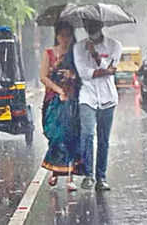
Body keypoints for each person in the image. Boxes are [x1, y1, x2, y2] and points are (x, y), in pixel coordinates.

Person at [73, 20, 122, 191]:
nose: (91, 29)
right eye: (88, 27)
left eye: (94, 26)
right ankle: (88, 175)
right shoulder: (78, 47)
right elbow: (84, 74)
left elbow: (112, 70)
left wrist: (95, 55)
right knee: (87, 134)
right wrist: (104, 71)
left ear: (101, 26)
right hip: (87, 97)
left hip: (108, 98)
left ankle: (101, 177)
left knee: (103, 140)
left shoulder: (115, 46)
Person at [40, 20, 82, 192]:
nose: (65, 39)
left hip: (73, 101)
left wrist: (72, 75)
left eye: (68, 35)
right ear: (56, 36)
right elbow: (43, 77)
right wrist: (59, 91)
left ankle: (70, 176)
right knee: (56, 136)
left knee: (71, 137)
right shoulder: (49, 53)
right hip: (53, 101)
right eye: (62, 35)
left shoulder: (77, 54)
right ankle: (55, 172)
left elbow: (82, 75)